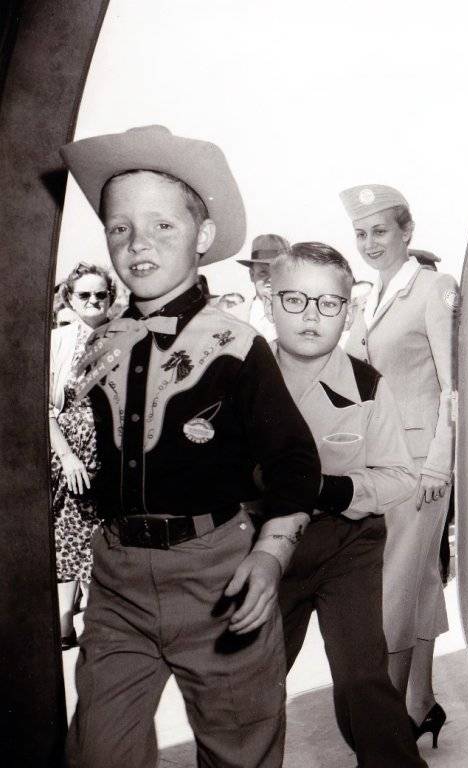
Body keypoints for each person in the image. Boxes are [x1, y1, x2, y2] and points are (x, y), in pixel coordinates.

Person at [59, 124, 320, 768]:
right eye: (120, 228)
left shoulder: (236, 345)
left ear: (202, 236)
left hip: (217, 576)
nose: (137, 243)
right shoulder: (101, 343)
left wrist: (271, 557)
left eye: (162, 226)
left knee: (240, 751)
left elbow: (295, 463)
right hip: (117, 581)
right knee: (98, 751)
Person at [268, 241, 425, 767]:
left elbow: (400, 475)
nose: (311, 316)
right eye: (295, 300)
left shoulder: (367, 384)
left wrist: (331, 490)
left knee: (363, 677)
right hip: (264, 550)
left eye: (328, 303)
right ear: (269, 301)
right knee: (253, 683)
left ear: (348, 311)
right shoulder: (241, 378)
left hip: (346, 545)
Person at [341, 184, 456, 747]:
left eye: (380, 231)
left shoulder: (434, 288)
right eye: (361, 233)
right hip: (383, 461)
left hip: (419, 465)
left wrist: (439, 464)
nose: (370, 242)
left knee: (394, 588)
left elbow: (455, 387)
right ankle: (422, 703)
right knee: (420, 580)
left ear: (407, 231)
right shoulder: (372, 297)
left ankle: (387, 731)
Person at [49, 262, 116, 648]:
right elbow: (43, 407)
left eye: (100, 294)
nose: (93, 300)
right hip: (69, 457)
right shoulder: (57, 342)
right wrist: (68, 457)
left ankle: (101, 628)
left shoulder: (123, 338)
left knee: (104, 541)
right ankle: (63, 626)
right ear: (69, 299)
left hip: (111, 457)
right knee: (67, 538)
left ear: (110, 298)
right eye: (84, 294)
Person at [236, 233, 290, 340]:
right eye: (263, 272)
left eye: (277, 272)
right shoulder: (233, 315)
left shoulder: (299, 316)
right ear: (252, 275)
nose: (271, 279)